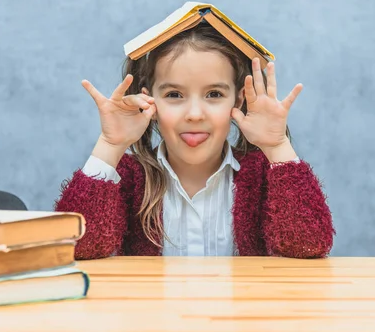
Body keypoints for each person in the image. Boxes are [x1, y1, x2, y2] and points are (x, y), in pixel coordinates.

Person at [54, 20, 334, 260]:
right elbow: (74, 247)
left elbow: (309, 245)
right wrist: (110, 145)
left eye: (214, 94)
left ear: (238, 100)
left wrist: (277, 147)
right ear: (148, 100)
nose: (195, 114)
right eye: (174, 95)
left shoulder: (263, 175)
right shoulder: (128, 178)